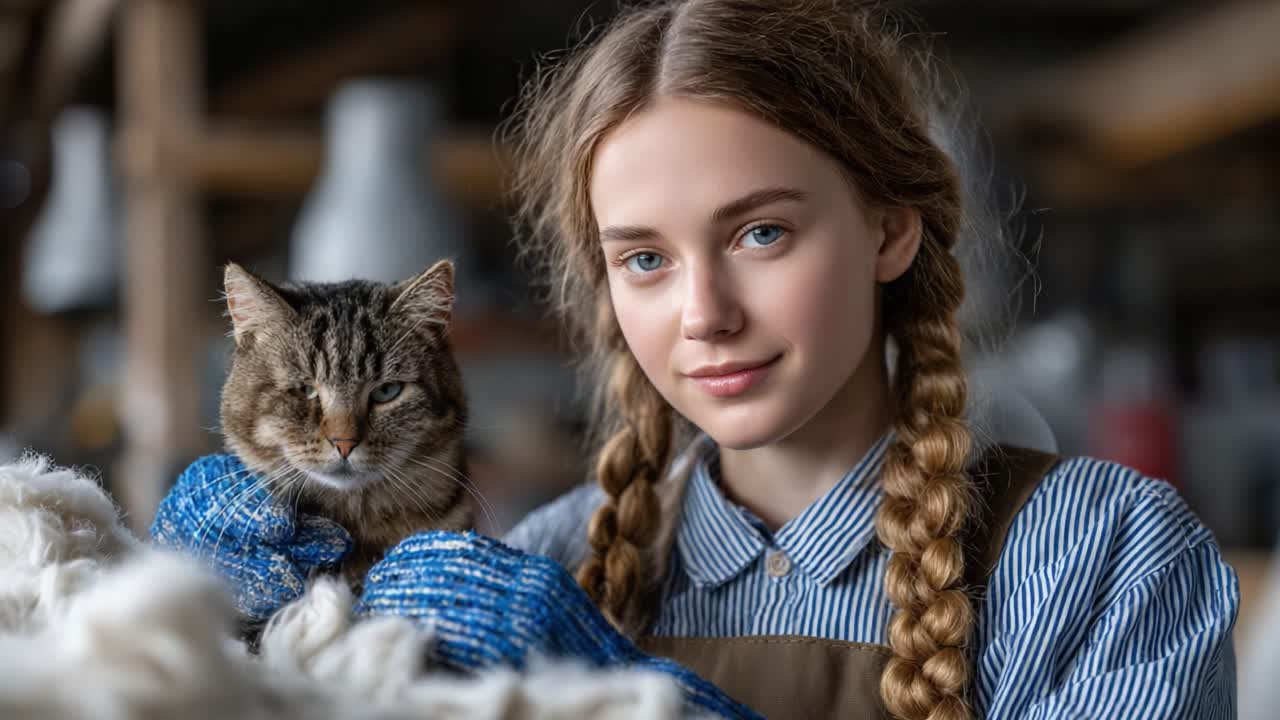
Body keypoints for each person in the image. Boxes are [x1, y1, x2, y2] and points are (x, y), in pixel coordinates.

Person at [152, 1, 1239, 718]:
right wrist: (212, 645)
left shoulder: (1107, 558)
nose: (703, 312)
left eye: (760, 232)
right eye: (643, 258)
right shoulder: (541, 563)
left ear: (886, 230)